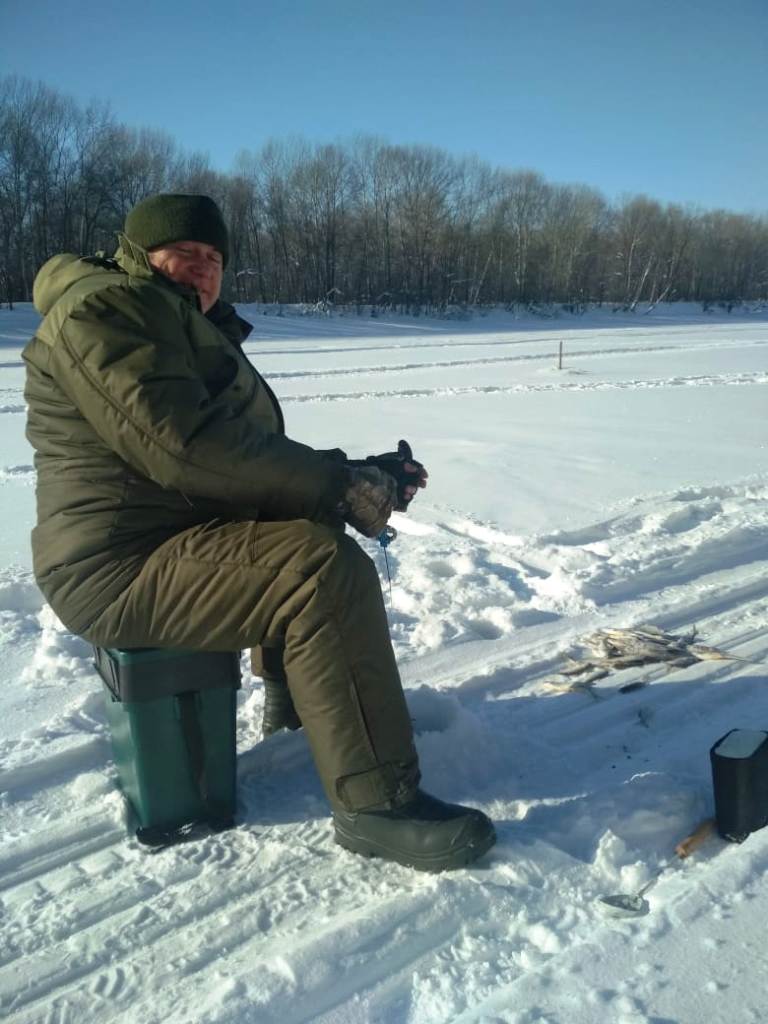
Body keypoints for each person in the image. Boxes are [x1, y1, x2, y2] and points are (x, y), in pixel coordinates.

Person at [23, 193, 496, 871]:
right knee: (318, 571)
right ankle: (379, 806)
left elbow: (241, 463)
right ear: (139, 253)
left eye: (214, 257)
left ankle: (299, 711)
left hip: (165, 541)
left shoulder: (170, 321)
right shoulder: (107, 309)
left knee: (299, 525)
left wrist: (354, 472)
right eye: (183, 252)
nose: (202, 268)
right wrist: (339, 487)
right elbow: (186, 448)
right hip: (117, 564)